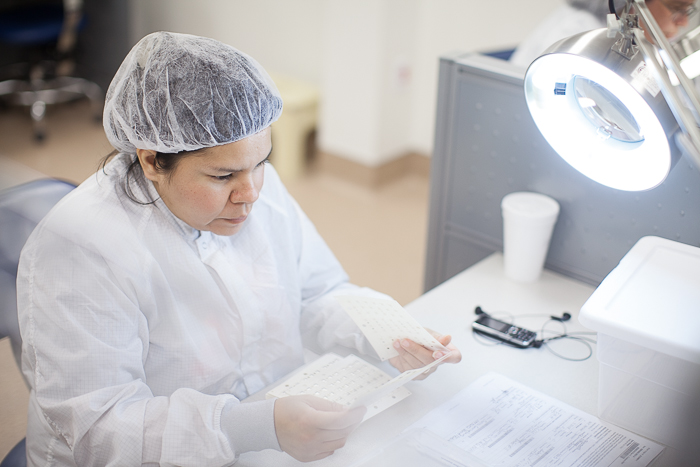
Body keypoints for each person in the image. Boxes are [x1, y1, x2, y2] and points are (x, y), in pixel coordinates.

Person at [16, 32, 461, 466]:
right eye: (222, 176)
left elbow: (317, 291)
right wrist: (247, 427)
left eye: (261, 163)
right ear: (152, 159)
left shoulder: (251, 186)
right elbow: (100, 429)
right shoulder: (81, 249)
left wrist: (388, 334)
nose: (250, 193)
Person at [510, 0, 697, 68]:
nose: (683, 22)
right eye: (677, 9)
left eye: (688, 11)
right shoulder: (578, 35)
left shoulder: (631, 40)